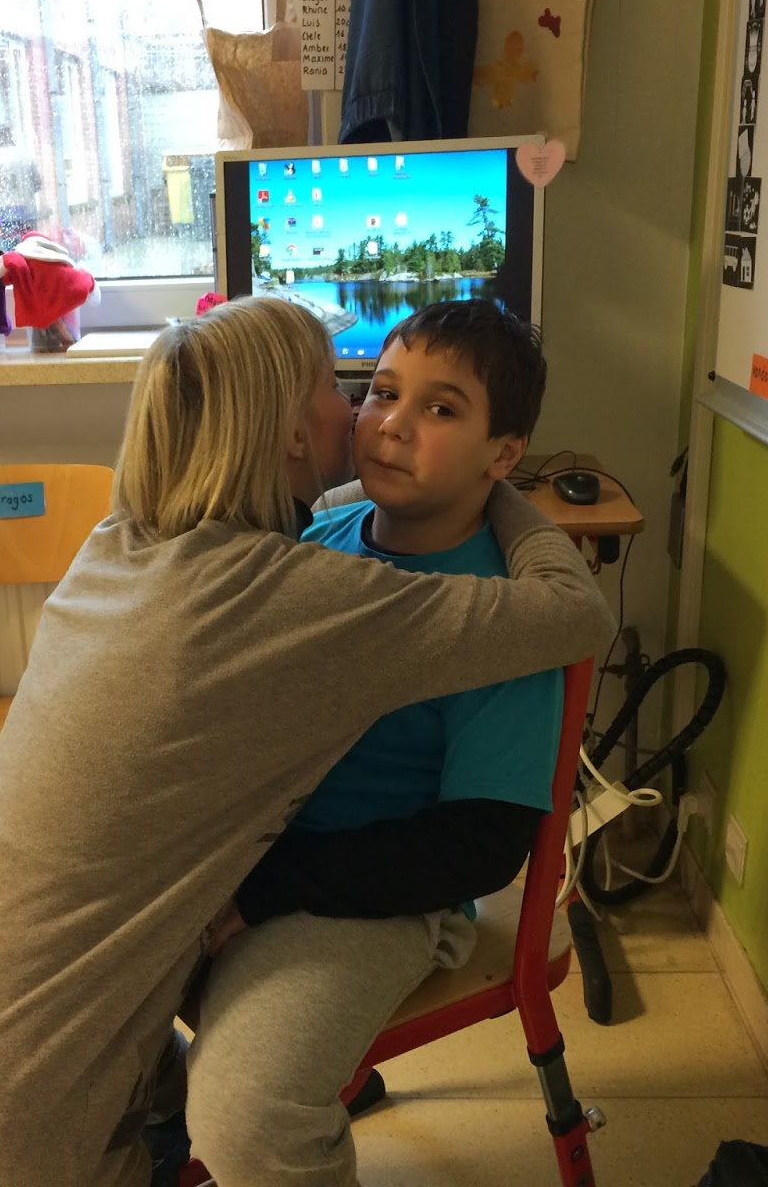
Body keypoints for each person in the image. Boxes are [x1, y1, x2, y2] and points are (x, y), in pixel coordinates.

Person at [0, 294, 614, 1187]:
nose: (373, 420)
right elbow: (570, 609)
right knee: (226, 1093)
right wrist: (498, 490)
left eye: (438, 408)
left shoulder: (123, 540)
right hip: (9, 1124)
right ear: (292, 433)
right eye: (359, 390)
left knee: (237, 1098)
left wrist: (486, 488)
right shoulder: (300, 582)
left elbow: (484, 834)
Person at [179, 299, 587, 1187]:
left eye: (441, 409)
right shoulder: (312, 537)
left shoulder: (506, 616)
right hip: (250, 862)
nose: (393, 425)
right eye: (382, 392)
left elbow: (477, 847)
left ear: (504, 455)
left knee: (248, 1112)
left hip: (378, 902)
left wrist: (266, 890)